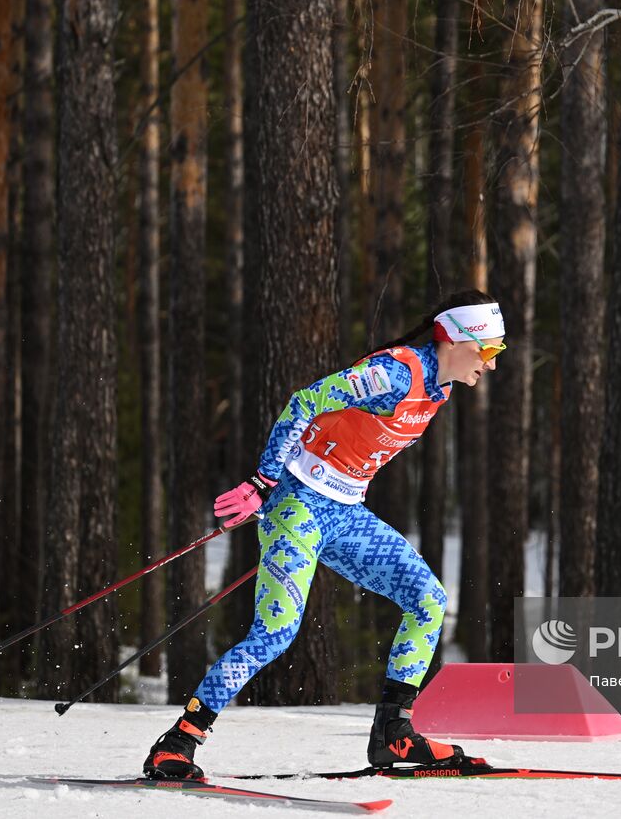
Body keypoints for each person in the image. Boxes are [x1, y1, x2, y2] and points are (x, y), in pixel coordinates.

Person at [143, 290, 505, 780]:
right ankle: (179, 743)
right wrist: (263, 481)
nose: (492, 364)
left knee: (428, 599)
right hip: (298, 504)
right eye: (490, 350)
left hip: (346, 513)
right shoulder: (398, 372)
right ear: (460, 338)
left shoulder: (437, 390)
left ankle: (394, 734)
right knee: (275, 633)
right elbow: (307, 401)